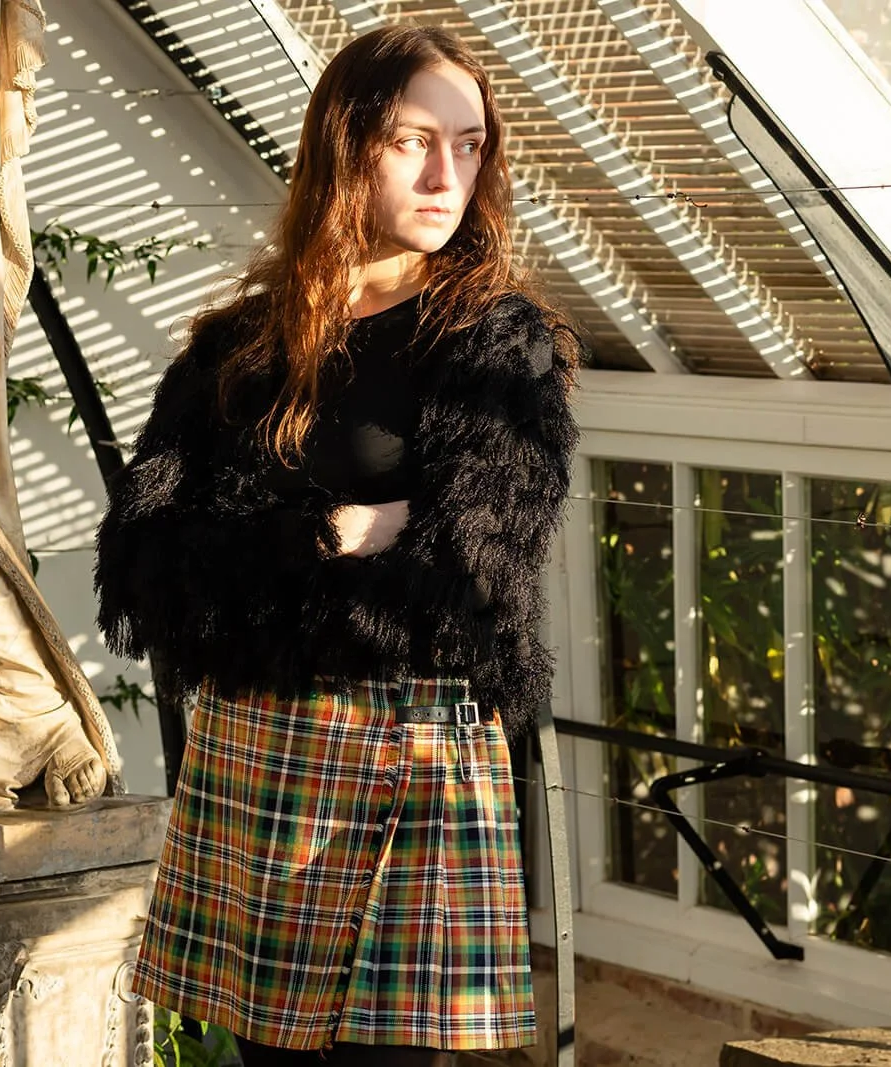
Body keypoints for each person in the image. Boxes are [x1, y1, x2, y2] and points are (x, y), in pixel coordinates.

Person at [94, 24, 579, 1066]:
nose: (449, 171)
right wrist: (337, 530)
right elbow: (143, 562)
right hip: (256, 747)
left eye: (471, 142)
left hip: (412, 746)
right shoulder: (242, 344)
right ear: (347, 145)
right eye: (414, 140)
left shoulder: (497, 342)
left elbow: (467, 583)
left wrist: (254, 569)